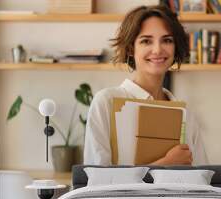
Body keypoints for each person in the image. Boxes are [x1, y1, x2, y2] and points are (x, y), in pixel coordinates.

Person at [84, 5, 208, 166]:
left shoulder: (185, 115)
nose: (157, 50)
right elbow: (97, 182)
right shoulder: (106, 102)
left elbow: (203, 178)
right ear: (130, 48)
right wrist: (165, 163)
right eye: (146, 41)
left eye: (167, 40)